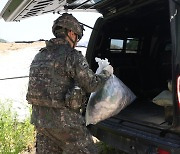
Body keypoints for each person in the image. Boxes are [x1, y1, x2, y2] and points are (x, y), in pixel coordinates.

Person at [26, 13, 113, 154]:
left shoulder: (39, 55)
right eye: (77, 37)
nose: (77, 41)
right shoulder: (72, 56)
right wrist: (106, 73)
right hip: (65, 123)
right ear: (71, 33)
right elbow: (92, 84)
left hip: (41, 122)